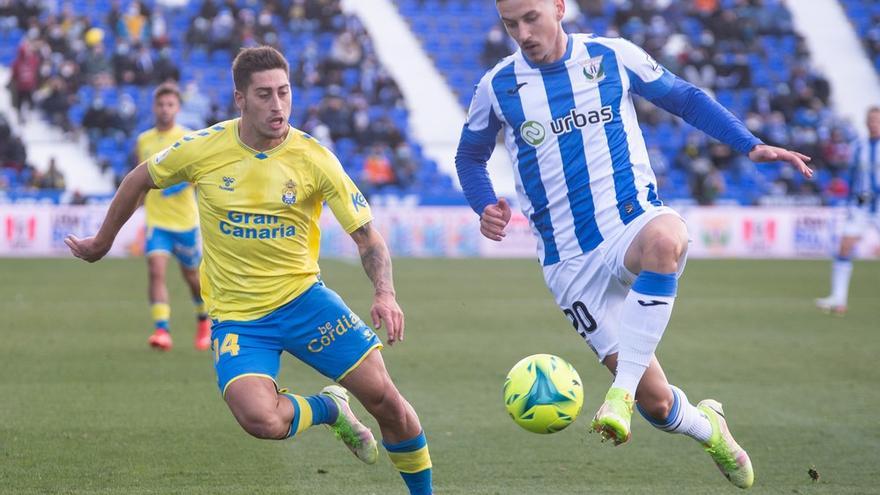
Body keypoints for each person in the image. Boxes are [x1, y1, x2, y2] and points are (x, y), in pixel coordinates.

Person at [454, 0, 812, 489]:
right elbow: (470, 157)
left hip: (630, 222)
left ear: (559, 7)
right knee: (659, 404)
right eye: (510, 24)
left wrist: (750, 144)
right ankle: (710, 428)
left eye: (531, 17)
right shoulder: (496, 86)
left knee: (668, 239)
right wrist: (484, 203)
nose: (522, 33)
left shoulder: (613, 55)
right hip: (569, 261)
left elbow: (684, 98)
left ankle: (618, 394)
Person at [66, 46, 433, 495]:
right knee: (260, 419)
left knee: (387, 403)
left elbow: (368, 238)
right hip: (239, 316)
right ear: (240, 99)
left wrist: (385, 293)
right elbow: (140, 177)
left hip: (305, 302)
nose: (277, 105)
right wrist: (103, 241)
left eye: (284, 92)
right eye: (264, 95)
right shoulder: (205, 148)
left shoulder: (315, 158)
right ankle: (328, 409)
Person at [136, 82, 211, 351]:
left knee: (192, 277)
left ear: (177, 108)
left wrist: (176, 184)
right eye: (161, 104)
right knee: (155, 271)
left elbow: (199, 175)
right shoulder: (144, 140)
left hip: (185, 222)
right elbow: (139, 179)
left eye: (170, 105)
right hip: (157, 222)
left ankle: (204, 322)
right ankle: (162, 330)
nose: (165, 109)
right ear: (154, 107)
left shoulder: (188, 138)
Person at [816, 107, 880, 315]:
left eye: (877, 120)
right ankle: (838, 298)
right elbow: (851, 175)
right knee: (845, 247)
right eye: (871, 119)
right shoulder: (858, 146)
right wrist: (849, 199)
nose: (873, 123)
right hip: (860, 205)